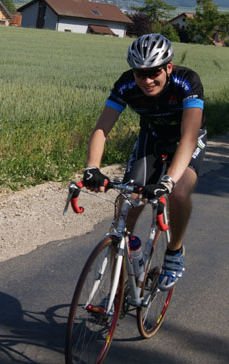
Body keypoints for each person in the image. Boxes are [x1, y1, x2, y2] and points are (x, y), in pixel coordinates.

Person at [82, 33, 206, 291]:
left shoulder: (187, 82)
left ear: (168, 68)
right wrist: (92, 167)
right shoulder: (126, 85)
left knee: (179, 191)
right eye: (140, 74)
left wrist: (167, 182)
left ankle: (174, 251)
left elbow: (189, 137)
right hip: (152, 137)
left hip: (185, 140)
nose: (147, 81)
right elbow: (102, 128)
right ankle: (119, 286)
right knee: (128, 203)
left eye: (154, 73)